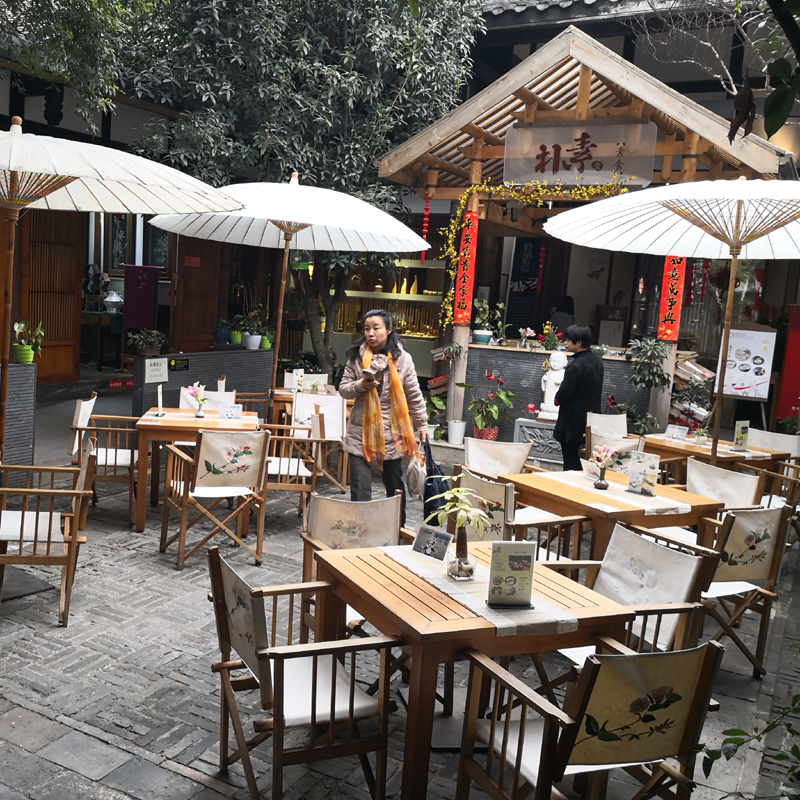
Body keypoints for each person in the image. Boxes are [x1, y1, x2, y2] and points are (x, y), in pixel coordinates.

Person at [340, 310, 428, 524]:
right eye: (366, 328)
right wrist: (360, 385)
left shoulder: (403, 359)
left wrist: (423, 425)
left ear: (388, 330)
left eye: (376, 328)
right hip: (360, 432)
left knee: (394, 485)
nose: (370, 333)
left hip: (392, 432)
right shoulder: (356, 358)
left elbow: (413, 394)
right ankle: (361, 532)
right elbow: (343, 389)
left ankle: (396, 529)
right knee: (360, 486)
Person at [553, 323, 604, 471]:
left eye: (568, 340)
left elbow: (565, 393)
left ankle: (570, 481)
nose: (565, 343)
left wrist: (557, 398)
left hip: (572, 420)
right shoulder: (597, 361)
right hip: (591, 418)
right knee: (582, 458)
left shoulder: (576, 366)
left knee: (569, 457)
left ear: (579, 342)